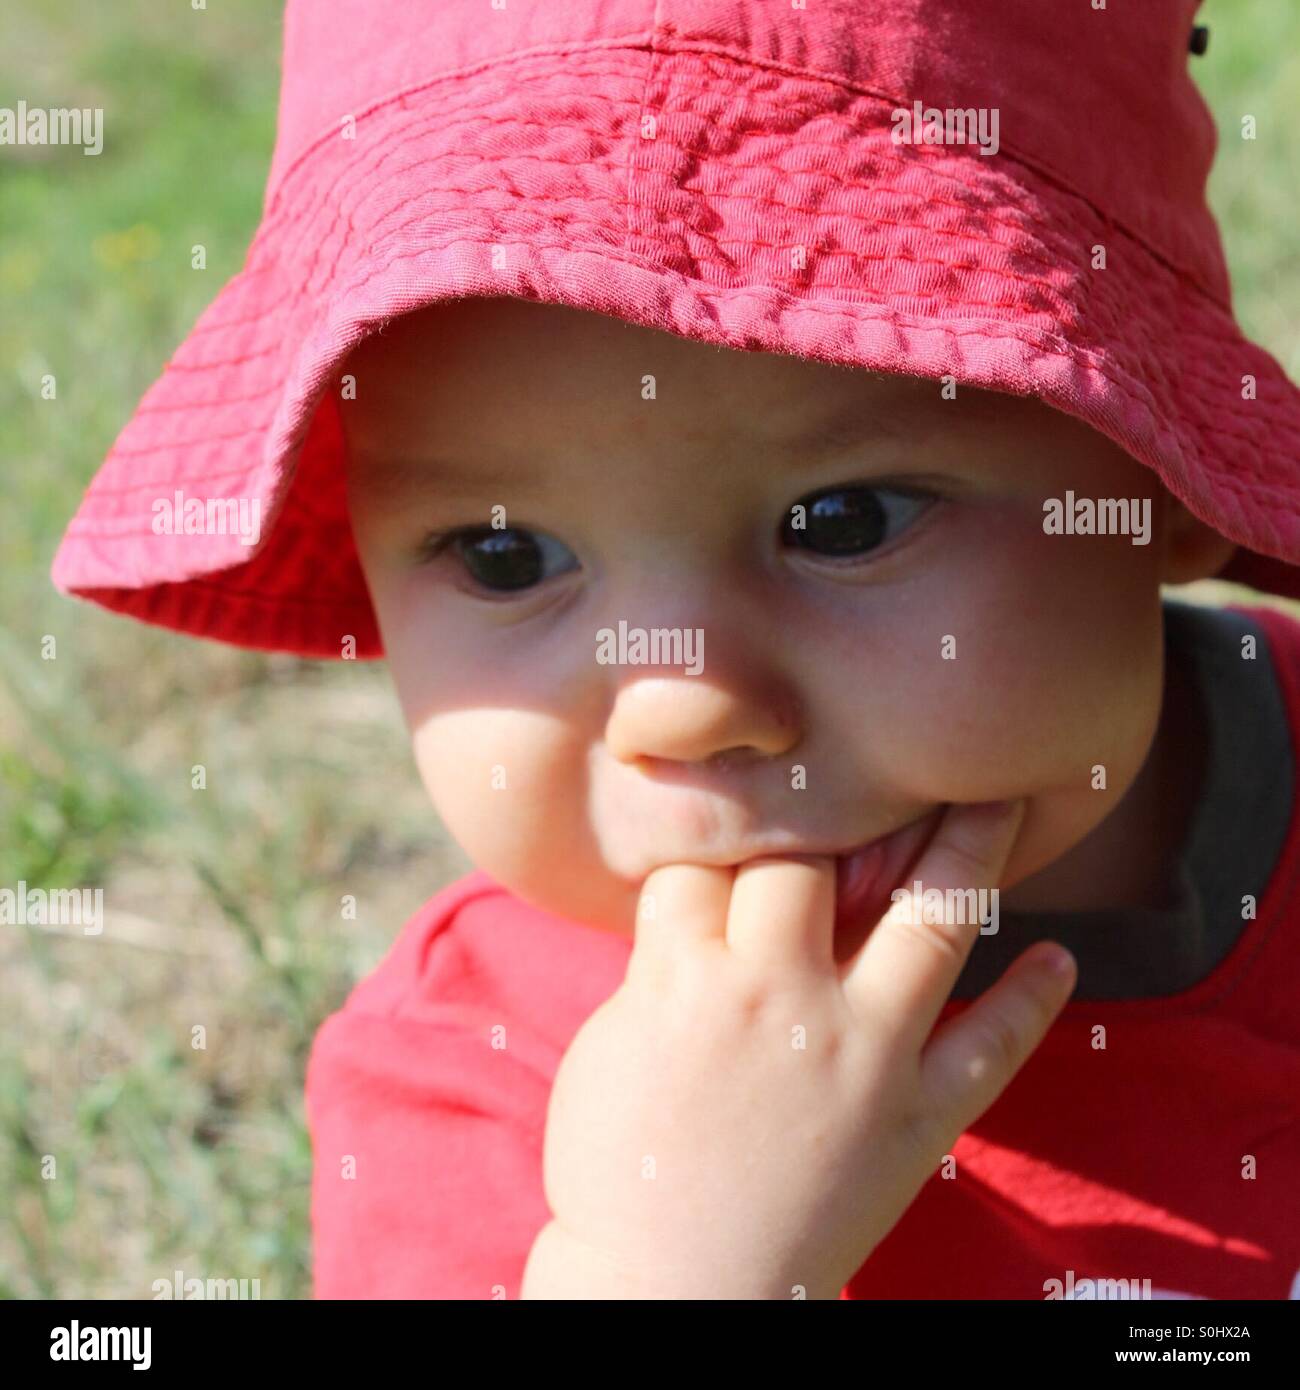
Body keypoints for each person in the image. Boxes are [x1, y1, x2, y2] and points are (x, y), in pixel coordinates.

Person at [53, 1, 1300, 1298]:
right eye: (504, 556)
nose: (686, 704)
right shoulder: (471, 1092)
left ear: (1161, 470)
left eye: (844, 520)